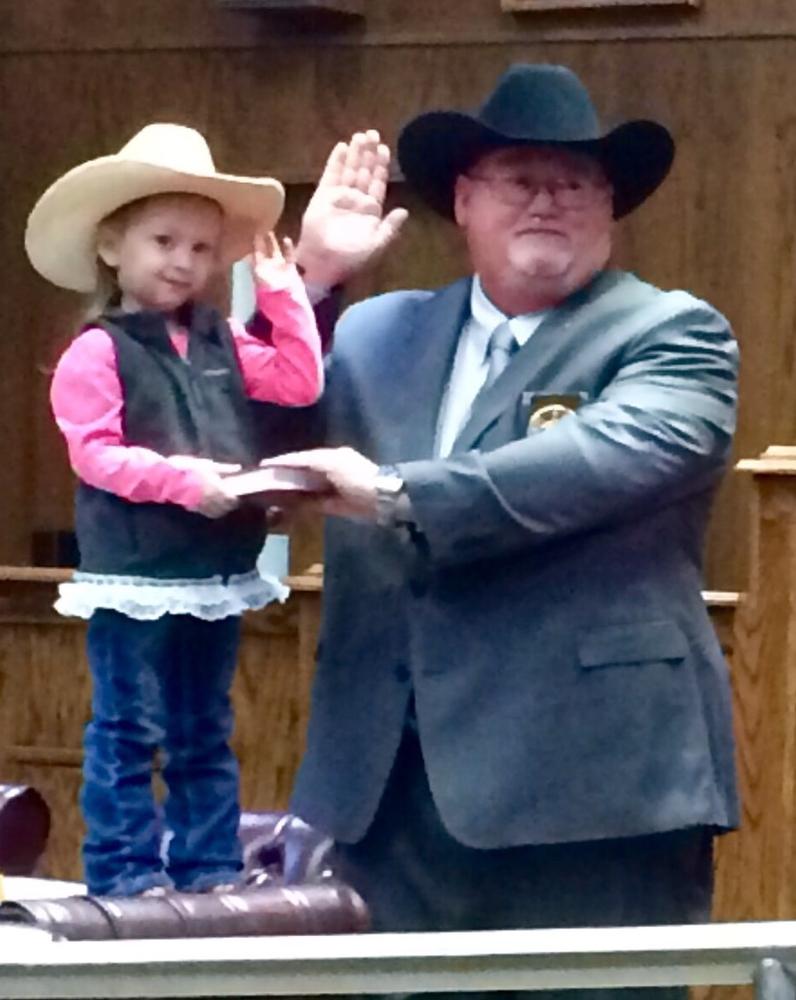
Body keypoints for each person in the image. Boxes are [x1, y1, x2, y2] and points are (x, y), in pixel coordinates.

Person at [266, 62, 740, 995]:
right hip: (390, 798)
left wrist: (399, 492)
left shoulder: (674, 334)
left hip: (595, 801)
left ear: (611, 207)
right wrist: (311, 283)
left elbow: (601, 460)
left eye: (576, 184)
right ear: (465, 200)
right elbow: (233, 452)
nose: (548, 203)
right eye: (522, 179)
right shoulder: (369, 333)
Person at [24, 122, 325, 896]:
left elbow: (298, 382)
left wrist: (284, 293)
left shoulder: (221, 337)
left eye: (200, 248)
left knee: (205, 730)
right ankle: (123, 871)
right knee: (127, 729)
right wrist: (186, 481)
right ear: (113, 248)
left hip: (213, 571)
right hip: (138, 572)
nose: (184, 262)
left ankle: (207, 866)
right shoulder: (98, 349)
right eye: (165, 241)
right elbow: (96, 453)